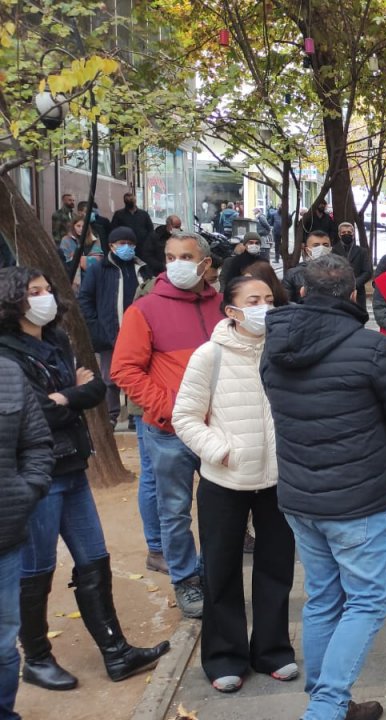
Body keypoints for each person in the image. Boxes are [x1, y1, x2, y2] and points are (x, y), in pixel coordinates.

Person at [260, 254, 386, 720]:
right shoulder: (371, 348)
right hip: (355, 503)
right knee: (367, 601)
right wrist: (377, 465)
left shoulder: (275, 344)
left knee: (325, 597)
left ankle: (326, 699)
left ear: (303, 292)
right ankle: (326, 708)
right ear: (355, 295)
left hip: (300, 496)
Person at [0, 267, 169, 691]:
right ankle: (36, 658)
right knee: (36, 569)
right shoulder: (7, 353)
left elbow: (95, 390)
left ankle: (117, 652)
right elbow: (34, 411)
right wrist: (67, 396)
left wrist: (66, 397)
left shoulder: (55, 340)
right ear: (12, 301)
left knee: (94, 559)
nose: (45, 297)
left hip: (74, 465)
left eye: (46, 289)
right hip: (36, 476)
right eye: (33, 292)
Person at [171, 276, 295, 693]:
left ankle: (273, 650)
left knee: (276, 568)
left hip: (278, 479)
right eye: (253, 300)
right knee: (222, 571)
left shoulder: (284, 350)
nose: (264, 306)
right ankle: (224, 656)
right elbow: (184, 416)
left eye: (268, 299)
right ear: (231, 311)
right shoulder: (210, 355)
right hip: (225, 479)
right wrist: (221, 450)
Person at [111, 231, 223, 618]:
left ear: (205, 264)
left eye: (186, 256)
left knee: (218, 507)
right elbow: (124, 370)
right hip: (169, 431)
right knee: (174, 509)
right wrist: (172, 410)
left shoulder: (224, 307)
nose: (177, 264)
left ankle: (212, 573)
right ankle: (185, 580)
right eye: (171, 256)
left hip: (216, 430)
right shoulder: (144, 310)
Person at [0, 356, 53, 720]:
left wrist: (25, 491)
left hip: (5, 534)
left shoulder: (7, 372)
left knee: (4, 644)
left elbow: (36, 442)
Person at [77, 227, 152, 426]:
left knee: (138, 374)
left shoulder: (142, 269)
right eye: (122, 244)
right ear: (111, 246)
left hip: (139, 333)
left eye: (130, 244)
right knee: (110, 377)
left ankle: (135, 416)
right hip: (110, 332)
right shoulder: (99, 269)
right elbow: (85, 299)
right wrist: (96, 325)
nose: (126, 247)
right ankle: (113, 415)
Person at [283, 231, 334, 303]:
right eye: (316, 245)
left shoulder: (339, 273)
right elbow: (285, 303)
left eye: (325, 245)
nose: (321, 248)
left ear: (330, 249)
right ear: (307, 250)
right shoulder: (293, 275)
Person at [335, 222, 373, 308]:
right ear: (339, 234)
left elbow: (368, 272)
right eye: (343, 232)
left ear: (353, 234)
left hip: (358, 292)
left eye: (349, 232)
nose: (346, 234)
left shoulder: (362, 251)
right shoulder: (333, 251)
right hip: (338, 292)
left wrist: (355, 283)